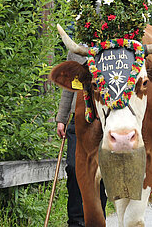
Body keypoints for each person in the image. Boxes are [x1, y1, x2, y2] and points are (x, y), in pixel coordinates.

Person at [56, 51, 107, 227]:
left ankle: (98, 219)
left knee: (100, 172)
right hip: (79, 119)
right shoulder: (75, 51)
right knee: (73, 167)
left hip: (104, 121)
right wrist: (62, 118)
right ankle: (76, 221)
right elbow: (68, 88)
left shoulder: (111, 49)